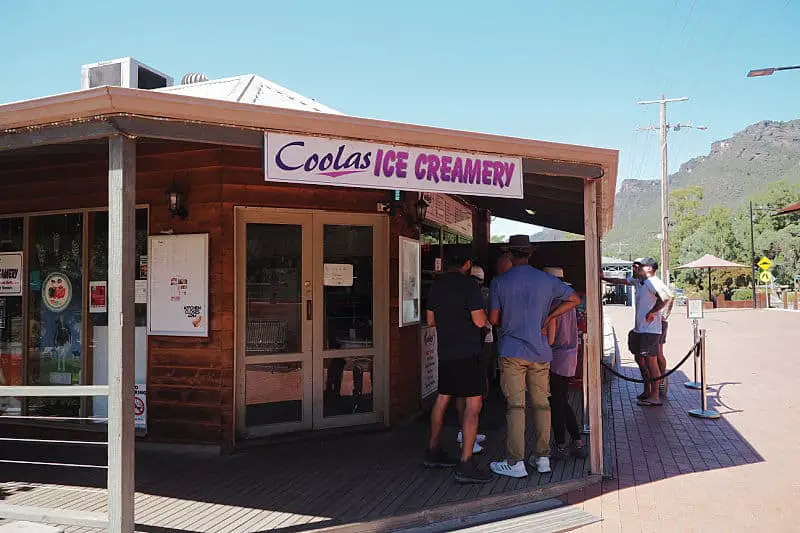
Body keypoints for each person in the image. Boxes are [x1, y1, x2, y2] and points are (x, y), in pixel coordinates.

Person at [488, 235, 581, 478]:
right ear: (530, 254)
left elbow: (493, 320)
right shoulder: (546, 280)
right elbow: (574, 299)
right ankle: (542, 458)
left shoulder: (500, 282)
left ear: (510, 254)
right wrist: (550, 316)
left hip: (511, 351)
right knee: (542, 404)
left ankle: (515, 462)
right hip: (541, 352)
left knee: (516, 406)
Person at [423, 245, 493, 484]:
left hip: (446, 352)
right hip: (469, 353)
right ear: (466, 265)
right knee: (473, 406)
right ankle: (466, 463)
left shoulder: (438, 285)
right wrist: (485, 322)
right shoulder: (469, 285)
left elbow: (430, 321)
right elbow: (479, 320)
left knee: (442, 399)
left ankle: (432, 451)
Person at [542, 267, 587, 460]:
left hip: (556, 358)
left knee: (556, 402)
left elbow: (551, 339)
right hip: (570, 357)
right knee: (564, 400)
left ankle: (560, 444)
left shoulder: (553, 305)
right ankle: (577, 440)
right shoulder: (570, 303)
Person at [626, 257, 673, 406]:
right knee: (641, 360)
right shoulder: (642, 282)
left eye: (639, 266)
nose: (636, 268)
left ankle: (655, 395)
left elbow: (666, 297)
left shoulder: (653, 282)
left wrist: (654, 312)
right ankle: (648, 391)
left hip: (650, 330)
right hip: (640, 329)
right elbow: (622, 281)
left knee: (652, 362)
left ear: (649, 269)